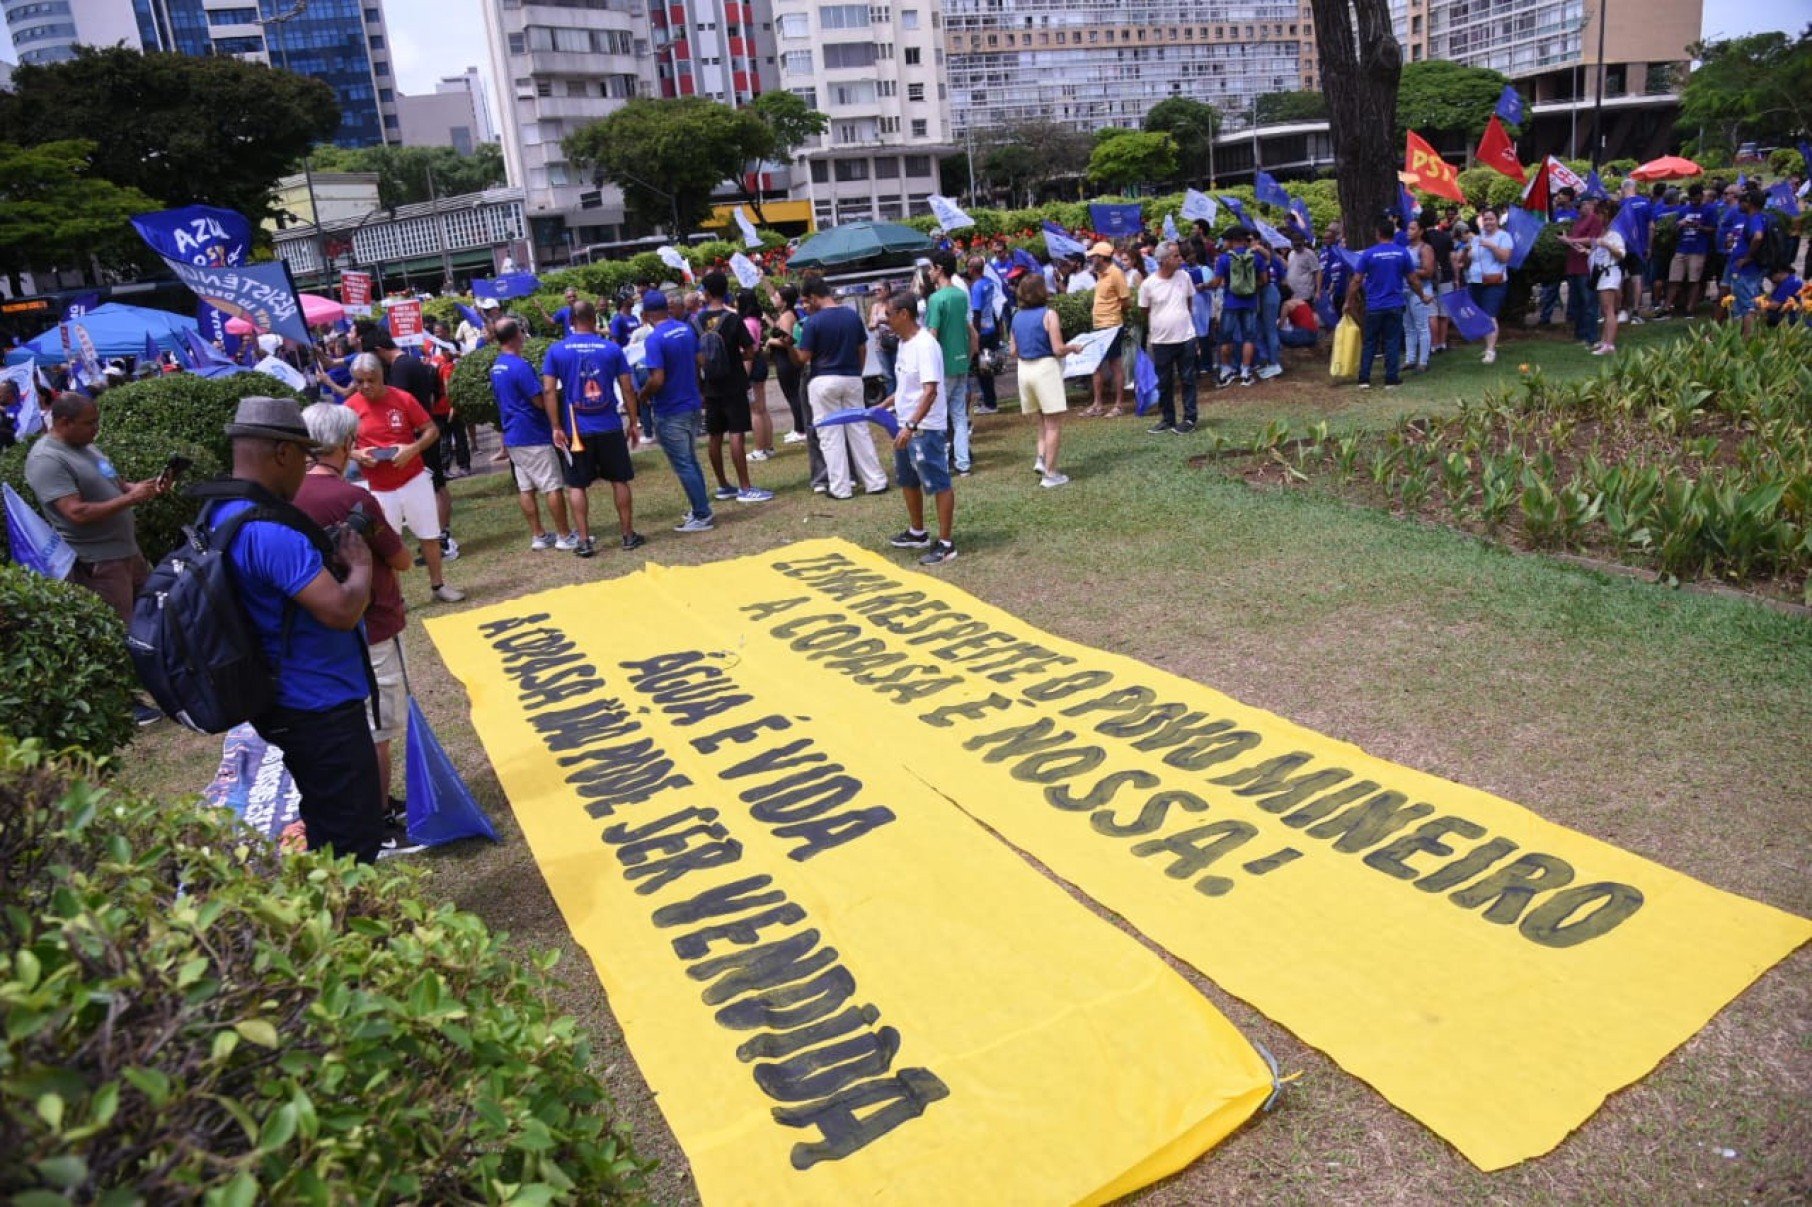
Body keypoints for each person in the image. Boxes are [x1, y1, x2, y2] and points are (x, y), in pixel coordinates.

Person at [208, 396, 388, 862]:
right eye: (303, 458)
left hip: (282, 694)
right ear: (283, 454)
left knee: (328, 813)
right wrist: (359, 566)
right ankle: (351, 925)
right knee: (353, 832)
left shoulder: (220, 511)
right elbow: (341, 611)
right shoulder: (269, 531)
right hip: (317, 702)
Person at [296, 402, 419, 841]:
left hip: (315, 629)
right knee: (378, 728)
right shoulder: (352, 498)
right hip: (370, 624)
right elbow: (401, 559)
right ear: (346, 444)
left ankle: (366, 805)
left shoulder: (286, 493)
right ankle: (379, 815)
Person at [24, 392, 170, 725]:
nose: (96, 429)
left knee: (149, 613)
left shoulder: (86, 447)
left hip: (126, 550)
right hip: (99, 560)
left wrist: (145, 488)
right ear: (63, 422)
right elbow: (75, 512)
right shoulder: (46, 459)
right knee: (118, 630)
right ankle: (125, 702)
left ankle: (161, 676)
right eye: (90, 423)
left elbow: (117, 485)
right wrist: (131, 499)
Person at [345, 353, 465, 603]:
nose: (365, 386)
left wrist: (412, 449)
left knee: (429, 535)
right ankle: (395, 598)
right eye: (359, 381)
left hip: (412, 478)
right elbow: (339, 445)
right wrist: (358, 454)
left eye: (371, 380)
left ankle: (438, 585)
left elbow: (431, 430)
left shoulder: (402, 398)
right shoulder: (350, 409)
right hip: (377, 486)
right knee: (388, 545)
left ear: (382, 376)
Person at [539, 300, 644, 556]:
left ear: (571, 321)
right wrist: (633, 421)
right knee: (619, 479)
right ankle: (628, 535)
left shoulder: (557, 350)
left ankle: (584, 540)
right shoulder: (611, 348)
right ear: (595, 319)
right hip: (608, 423)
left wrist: (555, 426)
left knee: (577, 485)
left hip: (577, 429)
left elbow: (549, 390)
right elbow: (628, 388)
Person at [794, 276, 888, 500]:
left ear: (815, 297)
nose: (807, 305)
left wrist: (791, 348)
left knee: (830, 435)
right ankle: (875, 480)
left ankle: (840, 487)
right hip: (852, 377)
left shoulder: (813, 322)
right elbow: (862, 348)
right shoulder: (850, 315)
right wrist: (857, 372)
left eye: (808, 300)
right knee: (859, 430)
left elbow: (804, 357)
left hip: (823, 379)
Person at [880, 294, 956, 566]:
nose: (884, 319)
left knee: (937, 482)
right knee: (907, 479)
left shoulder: (925, 345)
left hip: (925, 428)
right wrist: (885, 405)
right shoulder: (904, 344)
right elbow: (906, 387)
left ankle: (946, 543)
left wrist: (912, 425)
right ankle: (917, 532)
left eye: (888, 314)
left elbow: (930, 391)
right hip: (905, 425)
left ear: (904, 314)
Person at [367, 330, 457, 562]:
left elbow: (398, 404)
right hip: (426, 429)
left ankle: (442, 540)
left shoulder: (400, 368)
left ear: (378, 351)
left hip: (419, 436)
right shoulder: (413, 362)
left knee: (434, 487)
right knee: (437, 484)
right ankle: (441, 537)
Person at [488, 320, 576, 550]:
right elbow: (538, 400)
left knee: (526, 488)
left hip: (513, 435)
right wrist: (553, 399)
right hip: (532, 434)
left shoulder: (497, 366)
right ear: (517, 336)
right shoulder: (519, 366)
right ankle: (564, 536)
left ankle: (539, 535)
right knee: (552, 485)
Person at [635, 290, 718, 531]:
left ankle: (702, 514)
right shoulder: (685, 329)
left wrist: (644, 394)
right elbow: (700, 361)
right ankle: (700, 507)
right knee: (690, 460)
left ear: (647, 314)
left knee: (684, 463)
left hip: (670, 408)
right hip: (690, 401)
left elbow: (657, 379)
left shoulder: (654, 339)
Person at [693, 272, 772, 506]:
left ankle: (723, 485)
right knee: (736, 433)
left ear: (706, 292)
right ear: (725, 290)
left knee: (714, 436)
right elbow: (750, 351)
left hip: (710, 386)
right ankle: (745, 487)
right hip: (734, 382)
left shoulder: (696, 321)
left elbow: (695, 355)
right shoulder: (733, 319)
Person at [1009, 273, 1081, 488]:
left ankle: (1041, 459)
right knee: (1053, 424)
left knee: (1040, 420)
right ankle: (1050, 473)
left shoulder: (1016, 316)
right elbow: (1058, 349)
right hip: (1045, 369)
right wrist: (1073, 347)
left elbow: (1013, 350)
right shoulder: (1049, 315)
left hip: (1024, 370)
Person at [1346, 217, 1418, 390]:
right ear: (1393, 234)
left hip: (1374, 305)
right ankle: (1391, 379)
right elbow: (1413, 279)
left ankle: (1364, 379)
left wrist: (1349, 301)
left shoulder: (1369, 254)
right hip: (1394, 304)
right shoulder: (1402, 253)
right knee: (1392, 341)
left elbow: (1356, 281)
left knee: (1370, 341)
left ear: (1378, 234)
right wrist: (1422, 295)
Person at [924, 250, 977, 475]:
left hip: (943, 365)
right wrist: (970, 354)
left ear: (939, 269)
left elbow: (932, 334)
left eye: (930, 268)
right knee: (958, 415)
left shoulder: (936, 299)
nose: (928, 273)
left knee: (938, 415)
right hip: (961, 361)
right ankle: (963, 463)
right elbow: (970, 330)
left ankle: (942, 461)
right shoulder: (960, 295)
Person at [1139, 241, 1200, 434]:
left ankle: (1190, 418)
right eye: (1176, 256)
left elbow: (1189, 302)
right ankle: (1168, 419)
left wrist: (1184, 322)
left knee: (1188, 379)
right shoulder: (1148, 284)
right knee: (1164, 382)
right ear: (1164, 260)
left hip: (1186, 337)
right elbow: (1144, 310)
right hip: (1161, 341)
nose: (1181, 259)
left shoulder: (1185, 277)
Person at [1208, 227, 1267, 387]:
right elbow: (1264, 279)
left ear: (1233, 240)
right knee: (1249, 337)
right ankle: (1246, 372)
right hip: (1250, 302)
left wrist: (1204, 286)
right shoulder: (1256, 257)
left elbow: (1216, 282)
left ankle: (1226, 371)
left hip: (1231, 302)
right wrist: (1252, 287)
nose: (1224, 243)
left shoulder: (1223, 259)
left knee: (1225, 338)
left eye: (1226, 240)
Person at [1084, 241, 1130, 416]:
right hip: (1099, 325)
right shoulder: (1100, 274)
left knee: (1115, 365)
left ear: (1102, 258)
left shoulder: (1116, 274)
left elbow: (1126, 300)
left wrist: (1116, 315)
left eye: (1094, 256)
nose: (1091, 259)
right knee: (1096, 365)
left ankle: (1118, 405)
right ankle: (1097, 404)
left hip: (1112, 324)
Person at [1464, 208, 1512, 364]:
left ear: (1497, 220)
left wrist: (1491, 246)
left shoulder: (1504, 236)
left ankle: (1491, 350)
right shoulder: (1477, 238)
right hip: (1475, 280)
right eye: (1485, 219)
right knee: (1478, 315)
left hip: (1494, 282)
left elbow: (1505, 258)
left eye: (1491, 219)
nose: (1488, 222)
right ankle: (1487, 346)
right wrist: (1465, 252)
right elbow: (1469, 260)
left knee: (1490, 315)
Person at [1561, 198, 1604, 348]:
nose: (1579, 209)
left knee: (1589, 303)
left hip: (1586, 268)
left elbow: (1594, 240)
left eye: (1581, 206)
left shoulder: (1595, 220)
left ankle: (1592, 337)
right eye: (1577, 206)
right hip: (1574, 267)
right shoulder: (1579, 220)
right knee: (1577, 303)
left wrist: (1570, 240)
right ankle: (1580, 335)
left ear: (1590, 204)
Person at [1729, 188, 1771, 336]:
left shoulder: (1755, 218)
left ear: (1750, 203)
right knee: (1745, 304)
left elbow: (1758, 236)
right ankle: (1749, 336)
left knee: (1747, 306)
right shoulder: (1757, 217)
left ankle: (1748, 341)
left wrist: (1747, 257)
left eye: (1742, 201)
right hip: (1748, 270)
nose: (1739, 203)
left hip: (1747, 271)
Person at [740, 290, 776, 461]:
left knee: (756, 410)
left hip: (753, 365)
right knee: (762, 409)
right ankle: (768, 446)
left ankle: (760, 449)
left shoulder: (747, 323)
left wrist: (744, 376)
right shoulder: (755, 320)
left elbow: (748, 354)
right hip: (760, 362)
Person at [1587, 204, 1626, 356]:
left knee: (1609, 309)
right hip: (1601, 273)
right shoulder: (1604, 232)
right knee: (1605, 309)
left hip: (1609, 273)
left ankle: (1609, 344)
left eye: (1600, 214)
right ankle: (1605, 341)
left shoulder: (1615, 234)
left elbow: (1621, 253)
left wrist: (1607, 245)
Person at [967, 255, 1001, 415]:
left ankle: (990, 403)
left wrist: (975, 336)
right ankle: (989, 399)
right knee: (987, 367)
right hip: (992, 329)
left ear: (972, 269)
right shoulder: (988, 283)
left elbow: (977, 313)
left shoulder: (977, 286)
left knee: (983, 370)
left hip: (982, 332)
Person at [1402, 219, 1437, 373]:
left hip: (1421, 290)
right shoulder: (1406, 249)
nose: (1409, 231)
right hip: (1405, 291)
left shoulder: (1425, 248)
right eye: (1408, 228)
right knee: (1408, 327)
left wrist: (1409, 270)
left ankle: (1423, 360)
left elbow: (1428, 271)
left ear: (1421, 231)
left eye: (1412, 228)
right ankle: (1410, 358)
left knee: (1422, 326)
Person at [868, 280, 899, 401]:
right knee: (887, 376)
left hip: (895, 342)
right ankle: (891, 403)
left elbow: (899, 321)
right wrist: (874, 324)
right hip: (881, 345)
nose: (877, 292)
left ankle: (900, 401)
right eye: (875, 290)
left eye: (879, 290)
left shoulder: (894, 304)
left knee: (899, 373)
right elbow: (870, 325)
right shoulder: (875, 307)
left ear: (887, 290)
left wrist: (883, 321)